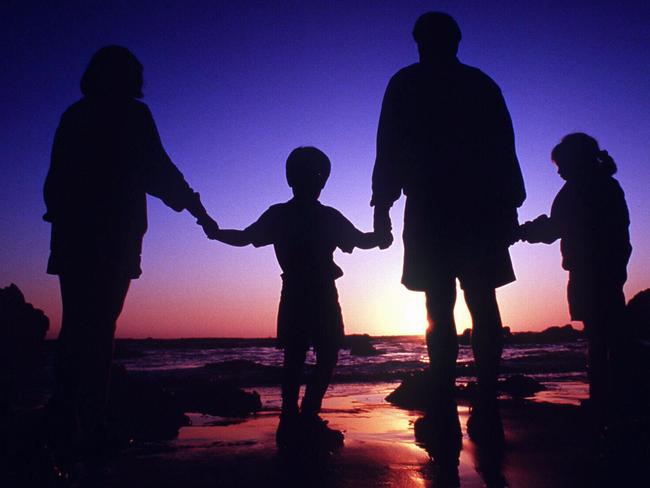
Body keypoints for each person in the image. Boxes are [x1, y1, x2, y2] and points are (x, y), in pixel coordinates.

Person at [43, 45, 217, 468]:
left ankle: (66, 422)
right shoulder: (132, 117)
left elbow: (54, 183)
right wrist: (198, 211)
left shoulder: (74, 115)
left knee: (78, 328)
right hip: (113, 237)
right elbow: (159, 170)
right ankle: (88, 424)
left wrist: (63, 215)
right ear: (128, 78)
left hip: (74, 238)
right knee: (99, 330)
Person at [371, 12, 526, 441]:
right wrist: (510, 202)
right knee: (478, 301)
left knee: (443, 305)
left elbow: (388, 149)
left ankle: (448, 394)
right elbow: (504, 147)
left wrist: (383, 205)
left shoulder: (407, 83)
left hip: (438, 207)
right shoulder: (479, 84)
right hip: (472, 208)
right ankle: (482, 396)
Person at [205, 146, 383, 449]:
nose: (313, 181)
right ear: (297, 179)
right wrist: (217, 232)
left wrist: (379, 236)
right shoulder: (302, 215)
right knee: (309, 356)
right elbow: (246, 237)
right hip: (311, 292)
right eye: (309, 175)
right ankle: (297, 417)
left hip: (310, 292)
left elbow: (362, 240)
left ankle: (298, 417)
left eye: (315, 175)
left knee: (311, 356)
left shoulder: (300, 216)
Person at [519, 133, 632, 429]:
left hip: (589, 271)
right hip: (609, 270)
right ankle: (614, 396)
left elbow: (555, 228)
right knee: (609, 334)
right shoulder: (608, 187)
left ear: (576, 160)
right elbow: (621, 235)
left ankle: (604, 399)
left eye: (561, 164)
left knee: (598, 336)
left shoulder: (577, 191)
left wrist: (525, 231)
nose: (558, 171)